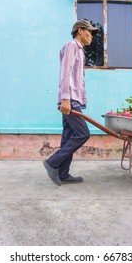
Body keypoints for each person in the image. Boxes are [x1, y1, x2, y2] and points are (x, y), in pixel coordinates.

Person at [43, 19, 99, 186]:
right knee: (83, 134)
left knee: (68, 137)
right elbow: (65, 72)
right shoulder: (72, 46)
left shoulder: (80, 51)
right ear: (80, 30)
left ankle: (63, 174)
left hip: (75, 100)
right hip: (70, 100)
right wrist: (66, 98)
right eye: (89, 32)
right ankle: (52, 162)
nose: (92, 36)